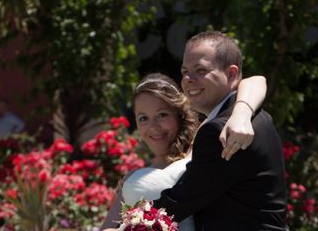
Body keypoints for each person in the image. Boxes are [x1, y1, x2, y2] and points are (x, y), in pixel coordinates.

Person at [153, 31, 287, 230]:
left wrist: (126, 223)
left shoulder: (221, 131)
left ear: (231, 74)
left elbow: (179, 203)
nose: (188, 78)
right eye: (184, 71)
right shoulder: (255, 113)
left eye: (200, 70)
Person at [101, 71, 267, 230]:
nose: (154, 127)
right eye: (143, 118)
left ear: (179, 114)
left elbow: (256, 81)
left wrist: (242, 113)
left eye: (162, 114)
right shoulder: (132, 179)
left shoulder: (202, 148)